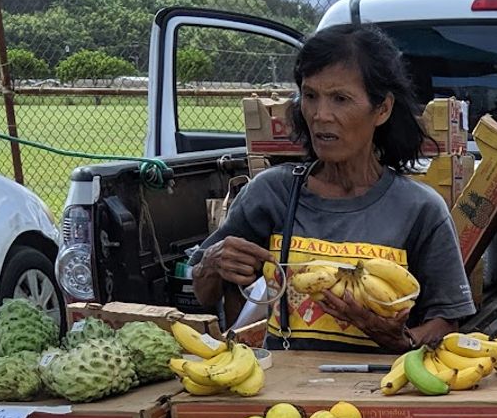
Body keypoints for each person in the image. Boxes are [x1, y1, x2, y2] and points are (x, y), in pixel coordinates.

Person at [192, 24, 472, 352]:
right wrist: (212, 263)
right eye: (310, 96)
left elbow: (447, 322)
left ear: (382, 109)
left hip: (379, 391)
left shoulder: (420, 209)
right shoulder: (273, 193)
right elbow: (204, 293)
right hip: (283, 390)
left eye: (340, 99)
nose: (321, 115)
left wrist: (398, 339)